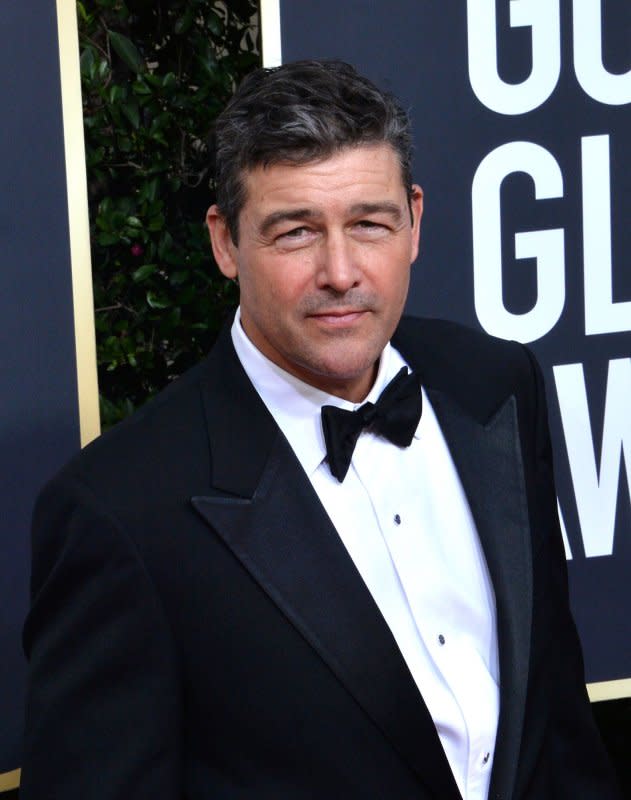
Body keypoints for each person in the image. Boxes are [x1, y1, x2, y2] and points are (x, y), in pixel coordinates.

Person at [21, 60, 620, 800]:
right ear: (225, 243)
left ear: (414, 223)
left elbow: (556, 723)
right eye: (296, 232)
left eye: (368, 224)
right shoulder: (120, 512)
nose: (340, 271)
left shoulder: (495, 386)